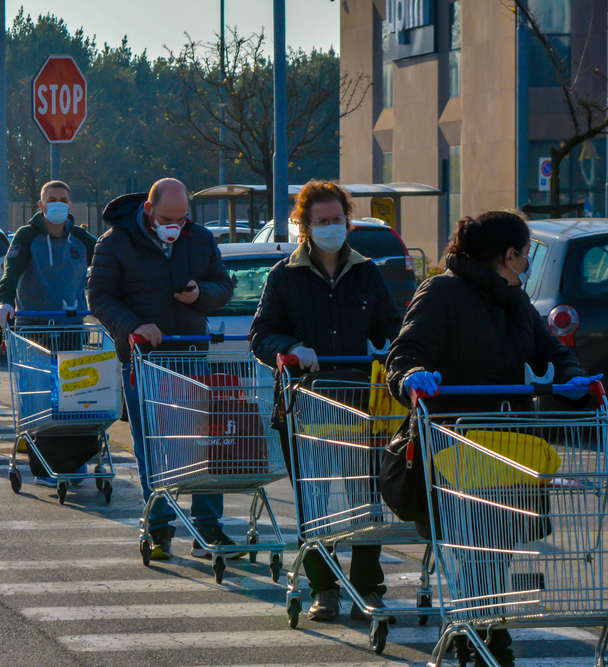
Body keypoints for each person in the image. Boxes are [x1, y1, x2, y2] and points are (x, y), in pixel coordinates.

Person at [387, 210, 602, 667]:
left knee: (493, 547)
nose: (526, 262)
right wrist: (412, 377)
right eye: (525, 253)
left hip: (507, 448)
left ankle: (480, 632)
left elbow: (552, 349)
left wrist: (573, 379)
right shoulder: (441, 292)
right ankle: (487, 637)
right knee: (475, 549)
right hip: (454, 448)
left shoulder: (515, 300)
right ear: (510, 255)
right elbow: (405, 351)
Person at [249, 180, 403, 623]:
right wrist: (293, 348)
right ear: (305, 226)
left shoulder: (367, 272)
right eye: (323, 221)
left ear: (347, 222)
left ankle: (367, 588)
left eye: (338, 220)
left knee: (366, 500)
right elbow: (261, 336)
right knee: (315, 502)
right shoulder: (285, 276)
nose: (332, 227)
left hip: (361, 408)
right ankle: (323, 589)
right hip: (305, 407)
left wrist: (390, 346)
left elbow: (391, 326)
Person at [87, 178, 235, 560]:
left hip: (190, 356)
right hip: (143, 362)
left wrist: (202, 294)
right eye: (169, 218)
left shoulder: (199, 239)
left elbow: (223, 285)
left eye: (183, 218)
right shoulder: (115, 242)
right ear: (149, 211)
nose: (177, 226)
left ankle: (208, 529)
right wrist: (133, 325)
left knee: (204, 444)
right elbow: (100, 297)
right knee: (154, 447)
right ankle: (158, 528)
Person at [0, 180, 98, 487]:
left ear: (70, 205)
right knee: (39, 398)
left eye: (63, 199)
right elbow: (10, 273)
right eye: (51, 199)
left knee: (73, 396)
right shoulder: (28, 237)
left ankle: (74, 460)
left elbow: (107, 263)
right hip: (34, 328)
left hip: (71, 328)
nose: (58, 204)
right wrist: (4, 302)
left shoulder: (81, 239)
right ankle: (43, 464)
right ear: (41, 205)